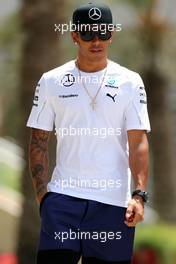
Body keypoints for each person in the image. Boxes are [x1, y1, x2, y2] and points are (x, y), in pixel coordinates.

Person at [27, 2, 151, 264]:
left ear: (112, 34)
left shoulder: (131, 82)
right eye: (87, 34)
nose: (96, 41)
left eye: (103, 33)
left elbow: (138, 142)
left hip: (112, 205)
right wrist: (43, 197)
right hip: (62, 201)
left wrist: (139, 196)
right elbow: (39, 139)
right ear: (74, 36)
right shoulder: (52, 81)